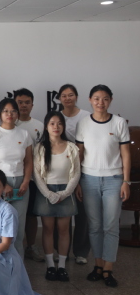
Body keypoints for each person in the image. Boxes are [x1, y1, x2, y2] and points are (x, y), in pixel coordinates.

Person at [75, 84, 131, 288]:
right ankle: (97, 265)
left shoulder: (118, 123)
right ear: (90, 100)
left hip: (114, 180)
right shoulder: (83, 123)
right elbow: (79, 155)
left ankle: (108, 268)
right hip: (88, 179)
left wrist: (126, 181)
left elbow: (126, 154)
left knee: (111, 226)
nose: (101, 102)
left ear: (110, 100)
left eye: (105, 98)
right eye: (97, 98)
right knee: (95, 225)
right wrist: (77, 181)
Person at [0, 98, 33, 259]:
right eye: (5, 111)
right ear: (0, 114)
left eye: (13, 111)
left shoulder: (24, 134)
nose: (9, 114)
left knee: (18, 227)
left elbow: (29, 161)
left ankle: (17, 264)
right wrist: (2, 185)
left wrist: (26, 181)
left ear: (17, 114)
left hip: (21, 184)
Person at [33, 111, 80, 282]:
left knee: (64, 230)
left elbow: (76, 173)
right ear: (46, 127)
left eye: (60, 123)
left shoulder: (71, 147)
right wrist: (48, 194)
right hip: (46, 191)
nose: (56, 127)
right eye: (52, 123)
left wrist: (65, 193)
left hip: (65, 191)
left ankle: (62, 266)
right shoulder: (40, 148)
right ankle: (50, 266)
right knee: (47, 229)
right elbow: (36, 174)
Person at [58, 83, 92, 265]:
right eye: (64, 95)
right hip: (62, 171)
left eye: (70, 95)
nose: (67, 98)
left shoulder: (86, 116)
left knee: (82, 213)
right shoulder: (57, 117)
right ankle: (61, 250)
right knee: (62, 213)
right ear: (59, 99)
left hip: (84, 168)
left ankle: (81, 251)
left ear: (76, 97)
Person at [14, 88, 45, 263]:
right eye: (20, 102)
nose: (23, 105)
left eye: (27, 102)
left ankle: (31, 246)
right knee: (13, 214)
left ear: (32, 105)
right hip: (14, 176)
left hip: (34, 178)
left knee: (32, 214)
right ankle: (12, 246)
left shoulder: (39, 126)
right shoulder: (10, 123)